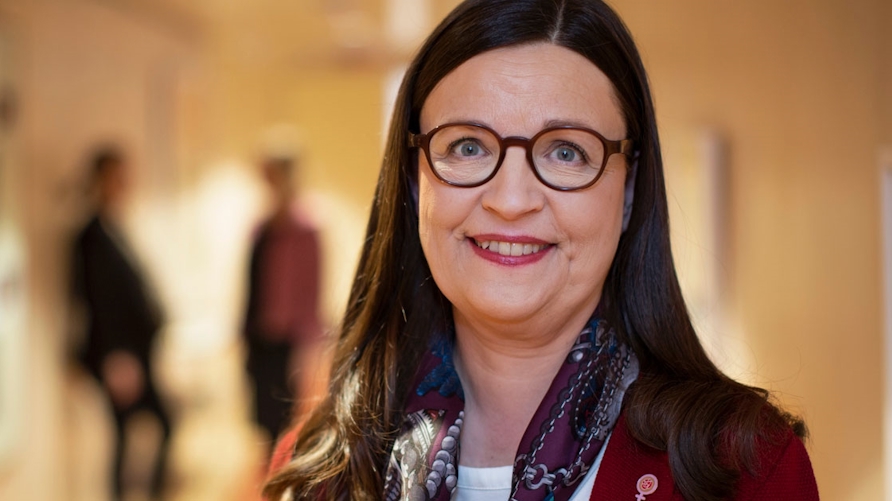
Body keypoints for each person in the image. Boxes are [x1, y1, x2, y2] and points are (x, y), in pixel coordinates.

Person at [264, 1, 819, 500]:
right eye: (467, 146)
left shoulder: (745, 468)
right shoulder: (315, 472)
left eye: (566, 152)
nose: (510, 201)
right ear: (414, 182)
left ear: (628, 190)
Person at [70, 145, 171, 500]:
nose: (123, 184)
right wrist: (116, 356)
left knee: (137, 431)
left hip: (136, 351)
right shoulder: (91, 237)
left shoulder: (115, 228)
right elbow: (98, 303)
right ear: (99, 180)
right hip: (121, 355)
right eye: (116, 177)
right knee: (136, 431)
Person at [243, 153, 322, 446]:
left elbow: (310, 289)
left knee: (288, 418)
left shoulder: (305, 230)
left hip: (289, 338)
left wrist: (307, 343)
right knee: (264, 418)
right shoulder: (262, 227)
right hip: (260, 335)